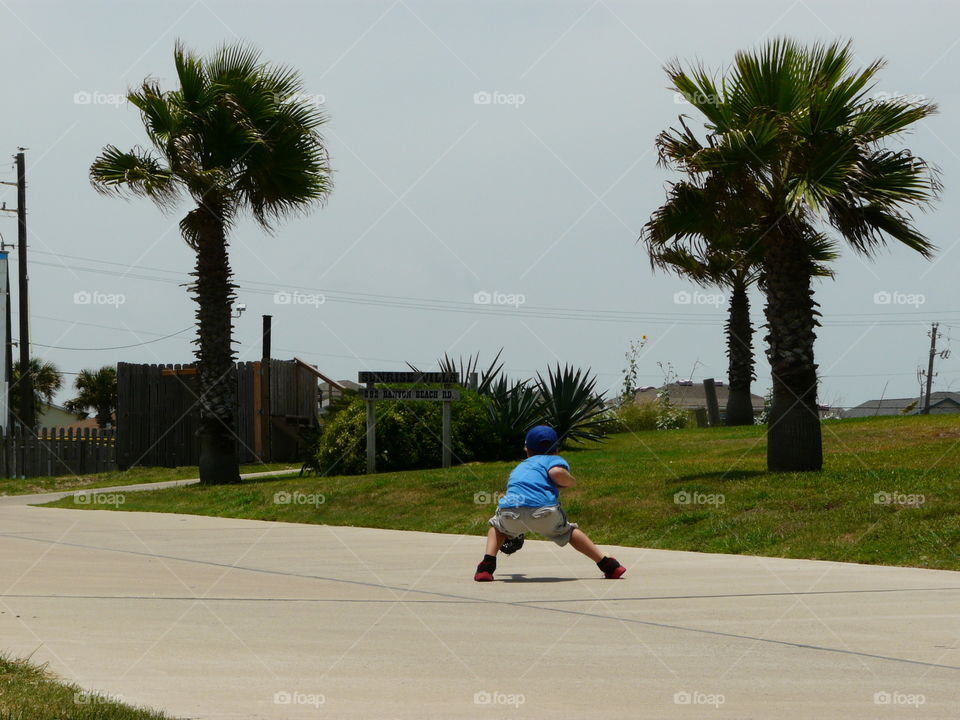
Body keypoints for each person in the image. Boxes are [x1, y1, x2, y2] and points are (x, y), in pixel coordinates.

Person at [474, 425, 626, 582]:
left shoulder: (521, 466)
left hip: (511, 514)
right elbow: (556, 472)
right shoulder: (552, 460)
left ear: (526, 449)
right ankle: (608, 565)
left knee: (497, 527)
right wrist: (570, 482)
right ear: (556, 450)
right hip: (544, 513)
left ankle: (486, 567)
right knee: (569, 532)